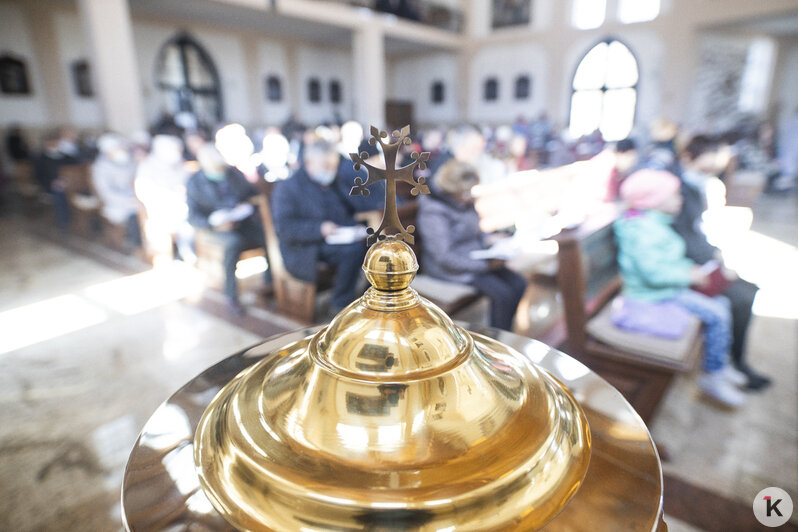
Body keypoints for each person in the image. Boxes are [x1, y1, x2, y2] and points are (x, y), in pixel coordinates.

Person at [614, 169, 748, 407]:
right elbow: (653, 274)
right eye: (674, 195)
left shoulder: (653, 223)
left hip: (669, 287)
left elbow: (669, 260)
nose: (680, 199)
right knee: (717, 313)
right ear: (653, 200)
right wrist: (689, 276)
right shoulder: (641, 231)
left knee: (723, 303)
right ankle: (712, 375)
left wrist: (692, 271)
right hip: (654, 295)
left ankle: (720, 362)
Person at [676, 135, 770, 389]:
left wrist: (717, 256)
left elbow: (697, 230)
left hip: (699, 258)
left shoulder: (697, 184)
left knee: (748, 289)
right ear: (691, 156)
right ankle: (732, 363)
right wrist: (712, 263)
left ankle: (734, 360)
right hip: (686, 267)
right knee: (740, 296)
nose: (716, 164)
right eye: (713, 156)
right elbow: (682, 236)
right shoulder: (675, 188)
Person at [418, 160, 526, 331]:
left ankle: (506, 334)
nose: (469, 195)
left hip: (475, 257)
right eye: (465, 191)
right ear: (452, 188)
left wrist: (490, 239)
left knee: (519, 283)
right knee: (502, 294)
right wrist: (485, 265)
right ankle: (495, 342)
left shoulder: (462, 200)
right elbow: (444, 257)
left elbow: (475, 231)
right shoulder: (434, 210)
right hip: (449, 267)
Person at [271, 140, 368, 313]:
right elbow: (285, 228)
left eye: (334, 166)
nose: (331, 171)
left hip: (334, 239)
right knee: (352, 251)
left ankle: (364, 296)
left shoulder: (332, 183)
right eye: (326, 166)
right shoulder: (288, 188)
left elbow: (347, 210)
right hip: (305, 247)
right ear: (308, 163)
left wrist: (356, 228)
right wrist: (319, 229)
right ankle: (340, 305)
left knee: (373, 243)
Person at [186, 145, 268, 314]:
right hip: (215, 228)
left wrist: (243, 205)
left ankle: (269, 283)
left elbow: (250, 192)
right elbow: (194, 217)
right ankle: (231, 295)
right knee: (233, 243)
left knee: (268, 236)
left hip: (240, 221)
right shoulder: (194, 182)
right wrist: (215, 223)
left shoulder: (232, 172)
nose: (219, 171)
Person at [134, 135, 194, 264]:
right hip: (160, 208)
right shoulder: (147, 166)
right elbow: (144, 192)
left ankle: (189, 254)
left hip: (183, 204)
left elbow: (188, 182)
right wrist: (168, 198)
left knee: (191, 222)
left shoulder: (179, 163)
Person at [91, 133, 141, 249]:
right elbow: (106, 193)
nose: (123, 150)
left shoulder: (128, 161)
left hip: (135, 197)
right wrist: (129, 200)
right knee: (135, 214)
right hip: (116, 203)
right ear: (108, 151)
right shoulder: (100, 168)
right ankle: (136, 245)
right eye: (118, 148)